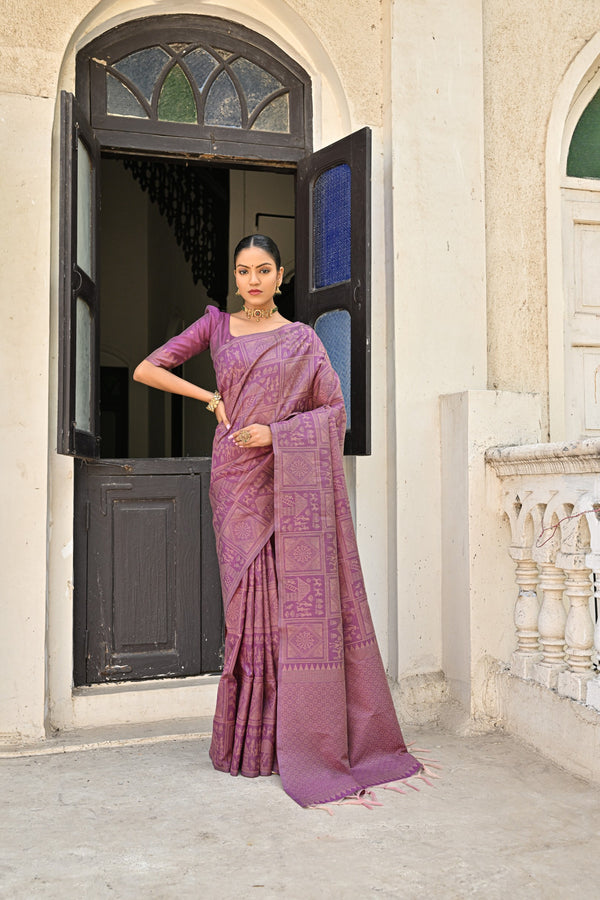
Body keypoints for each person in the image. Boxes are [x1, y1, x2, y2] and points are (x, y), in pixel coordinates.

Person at [133, 234, 421, 807]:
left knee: (293, 608)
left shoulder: (304, 341)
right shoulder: (214, 327)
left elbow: (333, 414)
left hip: (287, 480)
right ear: (235, 278)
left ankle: (294, 737)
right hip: (234, 481)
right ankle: (248, 743)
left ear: (282, 275)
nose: (253, 280)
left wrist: (277, 434)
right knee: (246, 606)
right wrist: (209, 399)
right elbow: (147, 369)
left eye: (264, 270)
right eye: (243, 271)